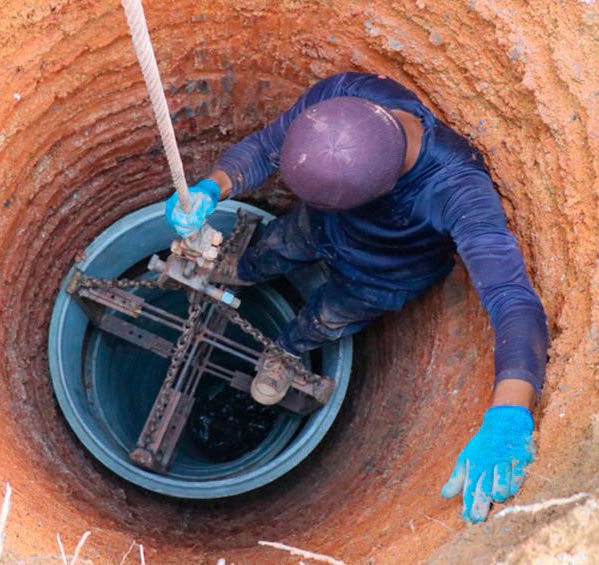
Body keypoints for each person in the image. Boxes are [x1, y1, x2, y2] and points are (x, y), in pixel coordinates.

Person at [164, 72, 548, 523]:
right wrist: (214, 186)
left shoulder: (458, 191)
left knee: (325, 318)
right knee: (272, 249)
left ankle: (285, 351)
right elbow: (266, 147)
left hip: (380, 276)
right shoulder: (343, 95)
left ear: (379, 194)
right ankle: (241, 270)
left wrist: (509, 412)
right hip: (319, 227)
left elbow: (511, 298)